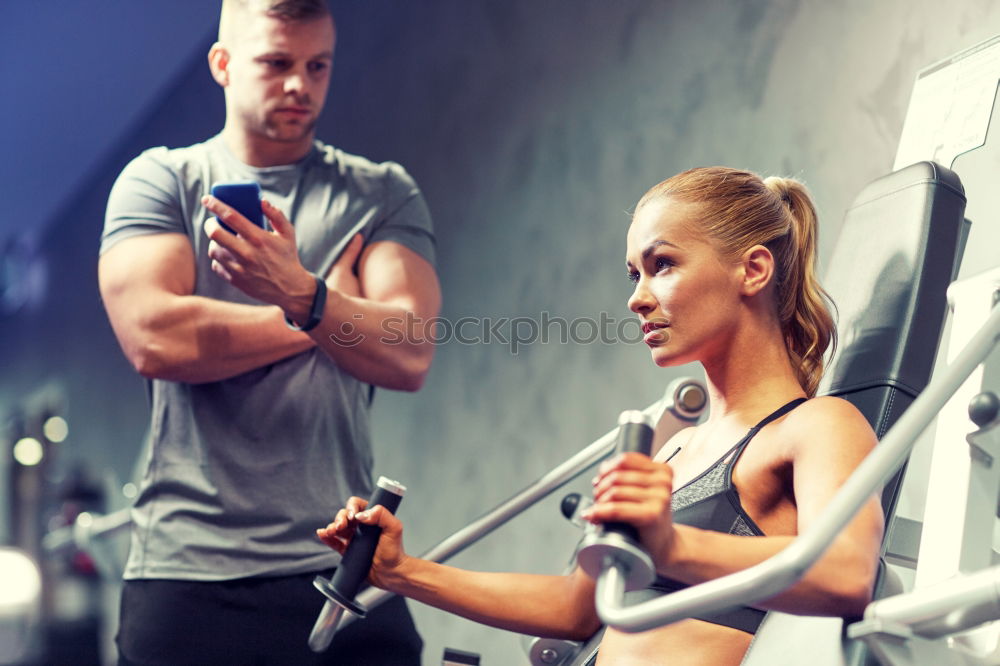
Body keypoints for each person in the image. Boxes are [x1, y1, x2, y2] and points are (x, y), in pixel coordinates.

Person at [317, 167, 885, 665]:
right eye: (633, 274)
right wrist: (401, 572)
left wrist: (668, 547)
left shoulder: (818, 426)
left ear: (753, 270)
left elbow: (844, 573)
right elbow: (576, 610)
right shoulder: (675, 450)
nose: (637, 297)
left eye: (662, 265)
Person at [98, 0, 440, 663]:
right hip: (187, 571)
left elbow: (409, 352)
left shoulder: (382, 193)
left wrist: (298, 289)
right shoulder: (163, 181)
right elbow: (156, 338)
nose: (299, 86)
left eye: (318, 66)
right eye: (277, 63)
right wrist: (322, 308)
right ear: (223, 65)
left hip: (344, 559)